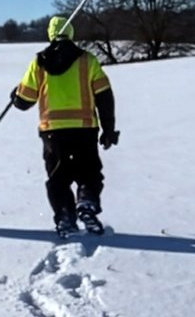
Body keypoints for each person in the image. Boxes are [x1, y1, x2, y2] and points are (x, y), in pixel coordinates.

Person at [10, 15, 118, 237]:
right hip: (84, 130)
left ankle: (64, 217)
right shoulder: (87, 60)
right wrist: (108, 130)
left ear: (50, 34)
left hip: (53, 132)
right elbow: (104, 97)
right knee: (89, 174)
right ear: (71, 33)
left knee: (58, 178)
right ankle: (86, 203)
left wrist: (15, 96)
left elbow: (24, 101)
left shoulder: (39, 62)